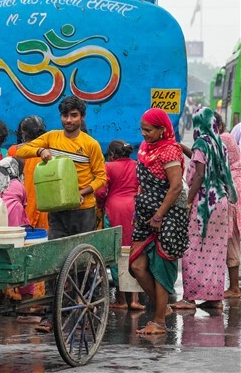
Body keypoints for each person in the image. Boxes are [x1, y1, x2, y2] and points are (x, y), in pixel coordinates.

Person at [170, 107, 238, 310]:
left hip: (204, 205)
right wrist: (184, 148)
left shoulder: (201, 143)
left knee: (192, 250)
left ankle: (189, 299)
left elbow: (199, 174)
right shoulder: (219, 144)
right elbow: (208, 162)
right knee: (216, 253)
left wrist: (187, 201)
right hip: (221, 203)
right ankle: (215, 299)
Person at [130, 108, 189, 335]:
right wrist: (140, 213)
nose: (144, 134)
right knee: (137, 265)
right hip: (145, 215)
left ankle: (159, 322)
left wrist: (159, 215)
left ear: (162, 129)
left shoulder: (170, 151)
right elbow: (142, 184)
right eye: (142, 130)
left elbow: (175, 187)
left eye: (148, 130)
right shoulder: (146, 149)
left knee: (163, 267)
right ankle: (162, 309)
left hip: (169, 216)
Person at [15, 96, 106, 239]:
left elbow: (101, 177)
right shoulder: (51, 137)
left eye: (74, 115)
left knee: (81, 254)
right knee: (57, 253)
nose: (68, 120)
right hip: (57, 209)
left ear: (82, 117)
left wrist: (80, 193)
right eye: (65, 115)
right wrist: (40, 151)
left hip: (83, 210)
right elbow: (20, 150)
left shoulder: (91, 144)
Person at [95, 140, 144, 310]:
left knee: (116, 252)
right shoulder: (137, 165)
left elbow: (101, 191)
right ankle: (135, 299)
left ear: (112, 155)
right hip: (134, 209)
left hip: (114, 208)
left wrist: (101, 205)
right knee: (135, 250)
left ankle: (122, 299)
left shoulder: (108, 166)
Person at [212, 113, 241, 298]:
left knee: (230, 239)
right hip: (236, 186)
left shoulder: (221, 139)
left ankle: (234, 288)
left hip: (231, 191)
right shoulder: (229, 136)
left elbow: (210, 165)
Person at [8, 115, 49, 229]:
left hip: (20, 207)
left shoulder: (14, 151)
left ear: (23, 134)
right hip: (44, 209)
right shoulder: (48, 152)